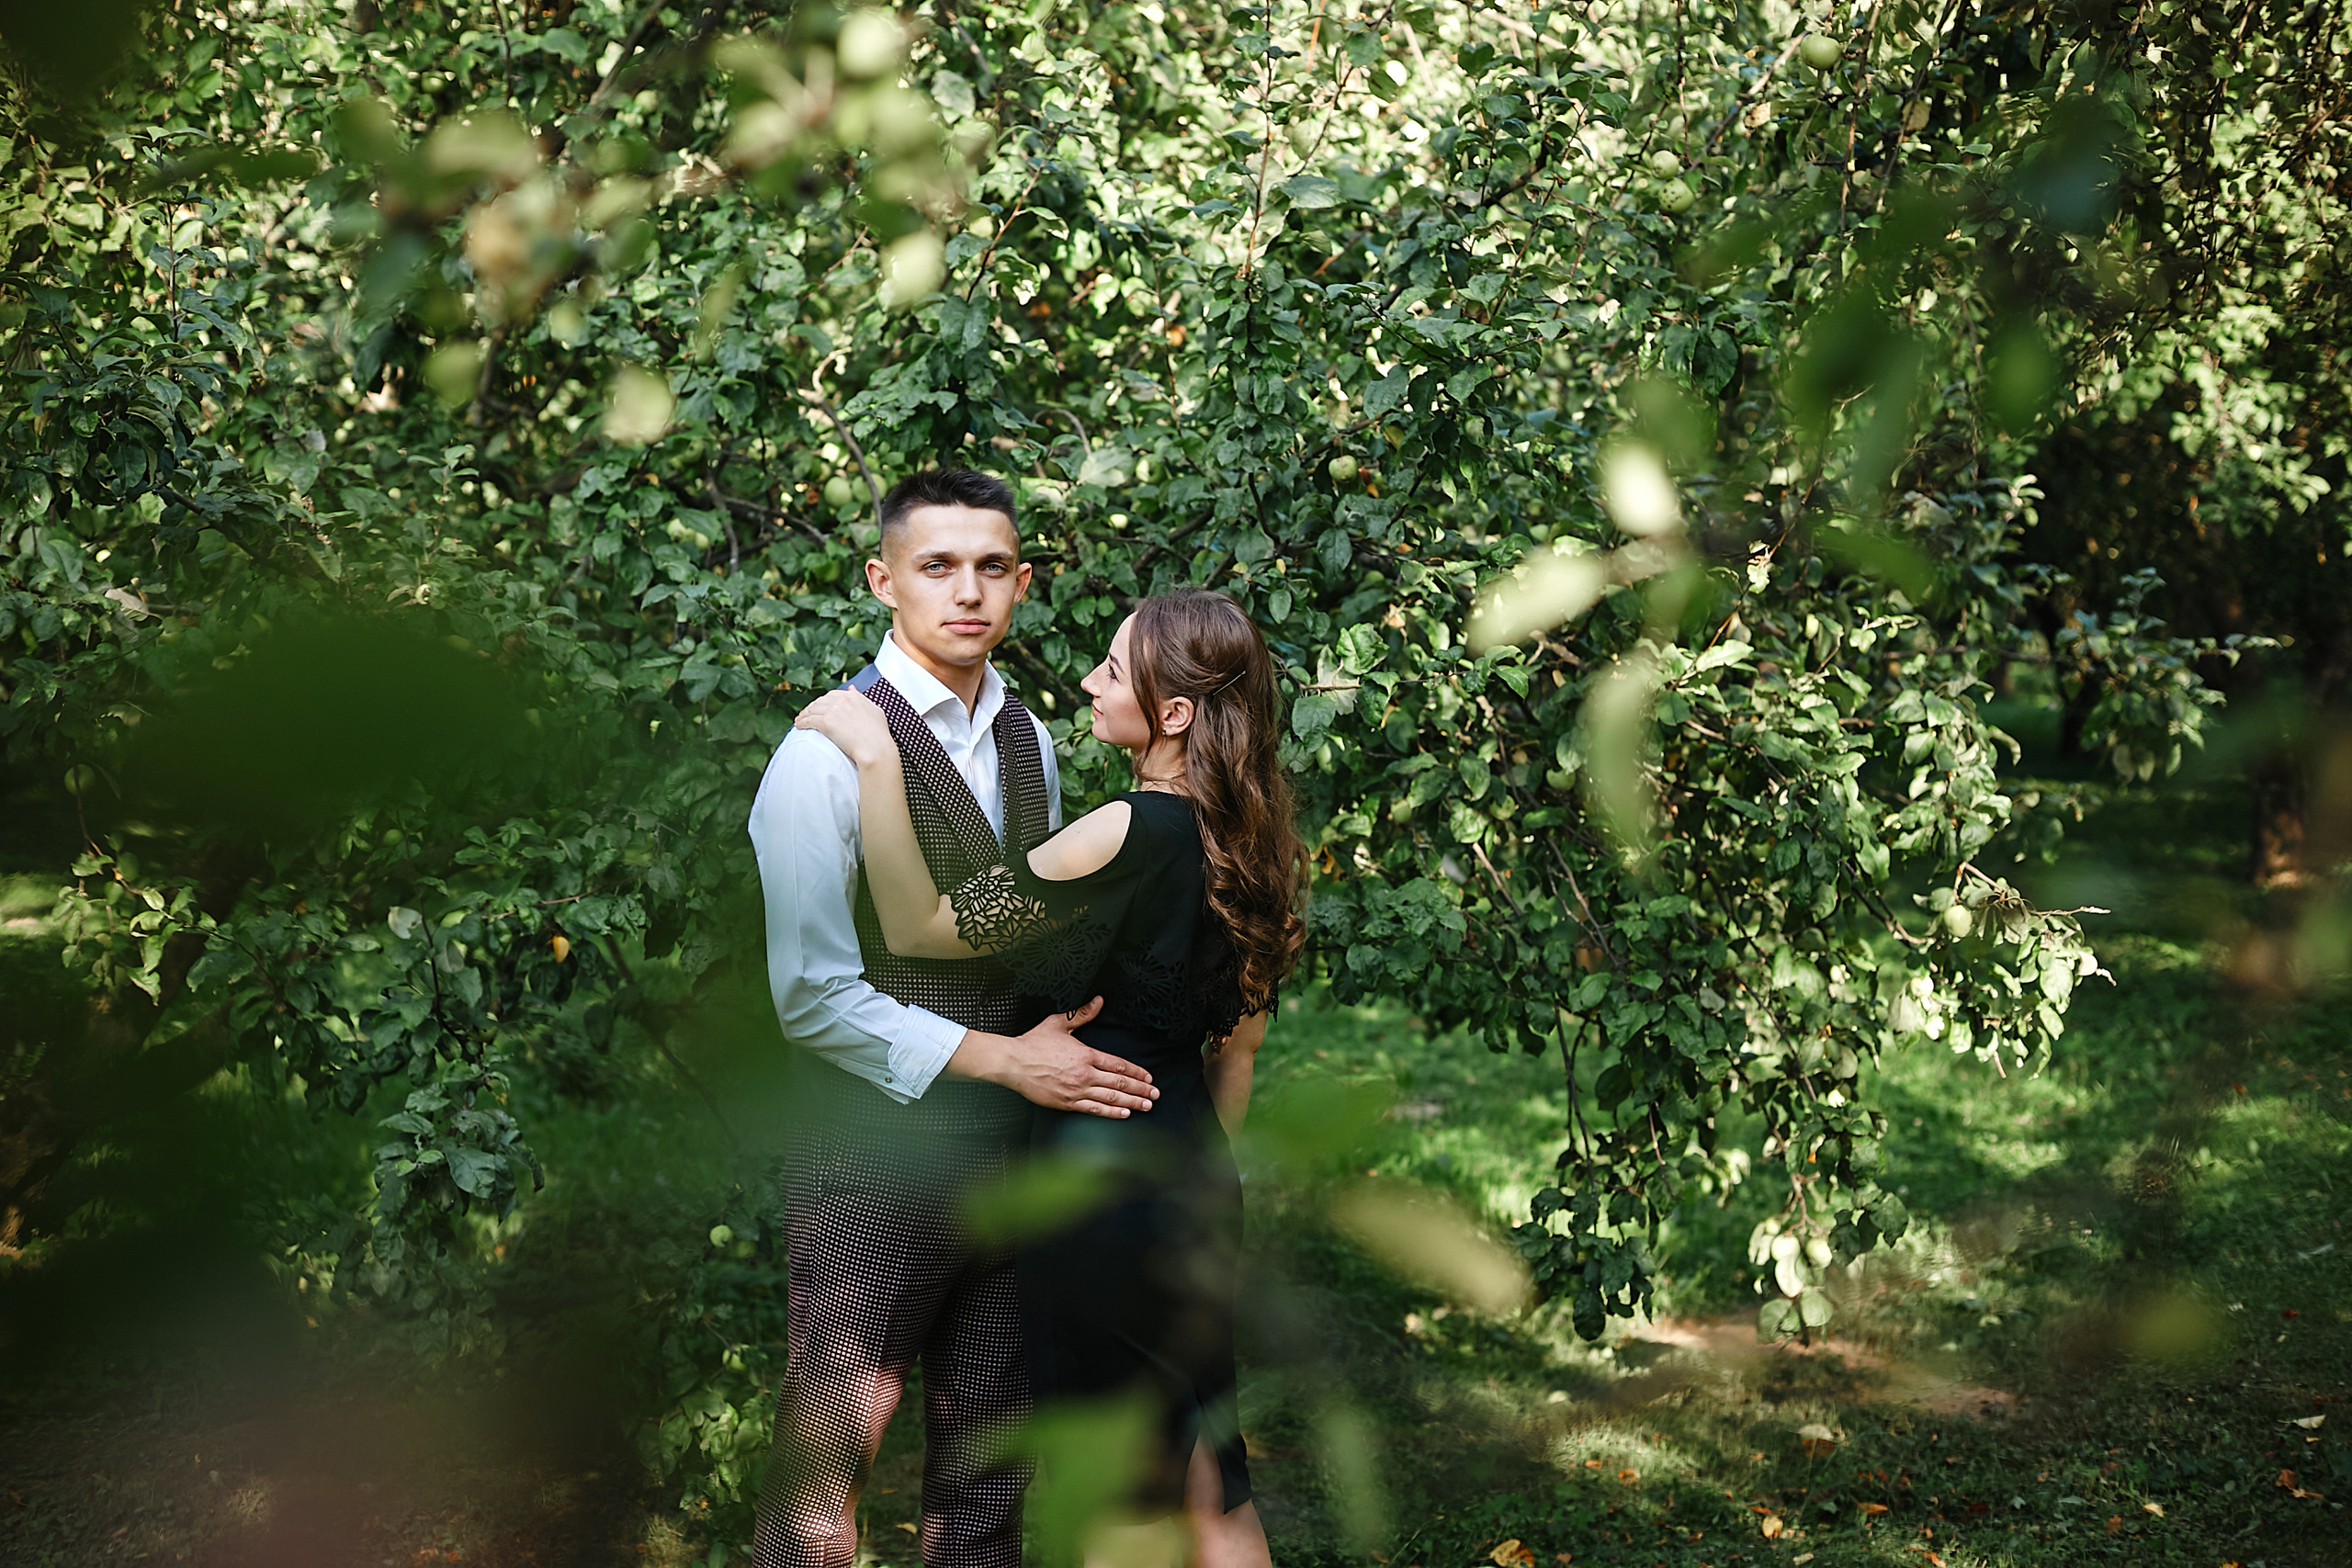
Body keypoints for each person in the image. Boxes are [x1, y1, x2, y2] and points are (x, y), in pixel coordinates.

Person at [795, 588, 1308, 1568]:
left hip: (1099, 1188)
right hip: (1194, 1178)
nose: (1087, 681)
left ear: (1175, 713)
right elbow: (1232, 1063)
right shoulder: (1256, 847)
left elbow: (921, 930)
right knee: (1208, 1472)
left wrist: (872, 755)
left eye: (1113, 669)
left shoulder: (1122, 828)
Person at [748, 469, 1164, 1568]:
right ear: (884, 580)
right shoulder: (821, 756)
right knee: (817, 1491)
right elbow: (811, 998)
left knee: (987, 1486)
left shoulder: (1030, 740)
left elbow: (1019, 926)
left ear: (1021, 583)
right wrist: (1008, 1063)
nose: (966, 592)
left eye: (991, 567)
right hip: (871, 1162)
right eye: (936, 567)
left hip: (1013, 1165)